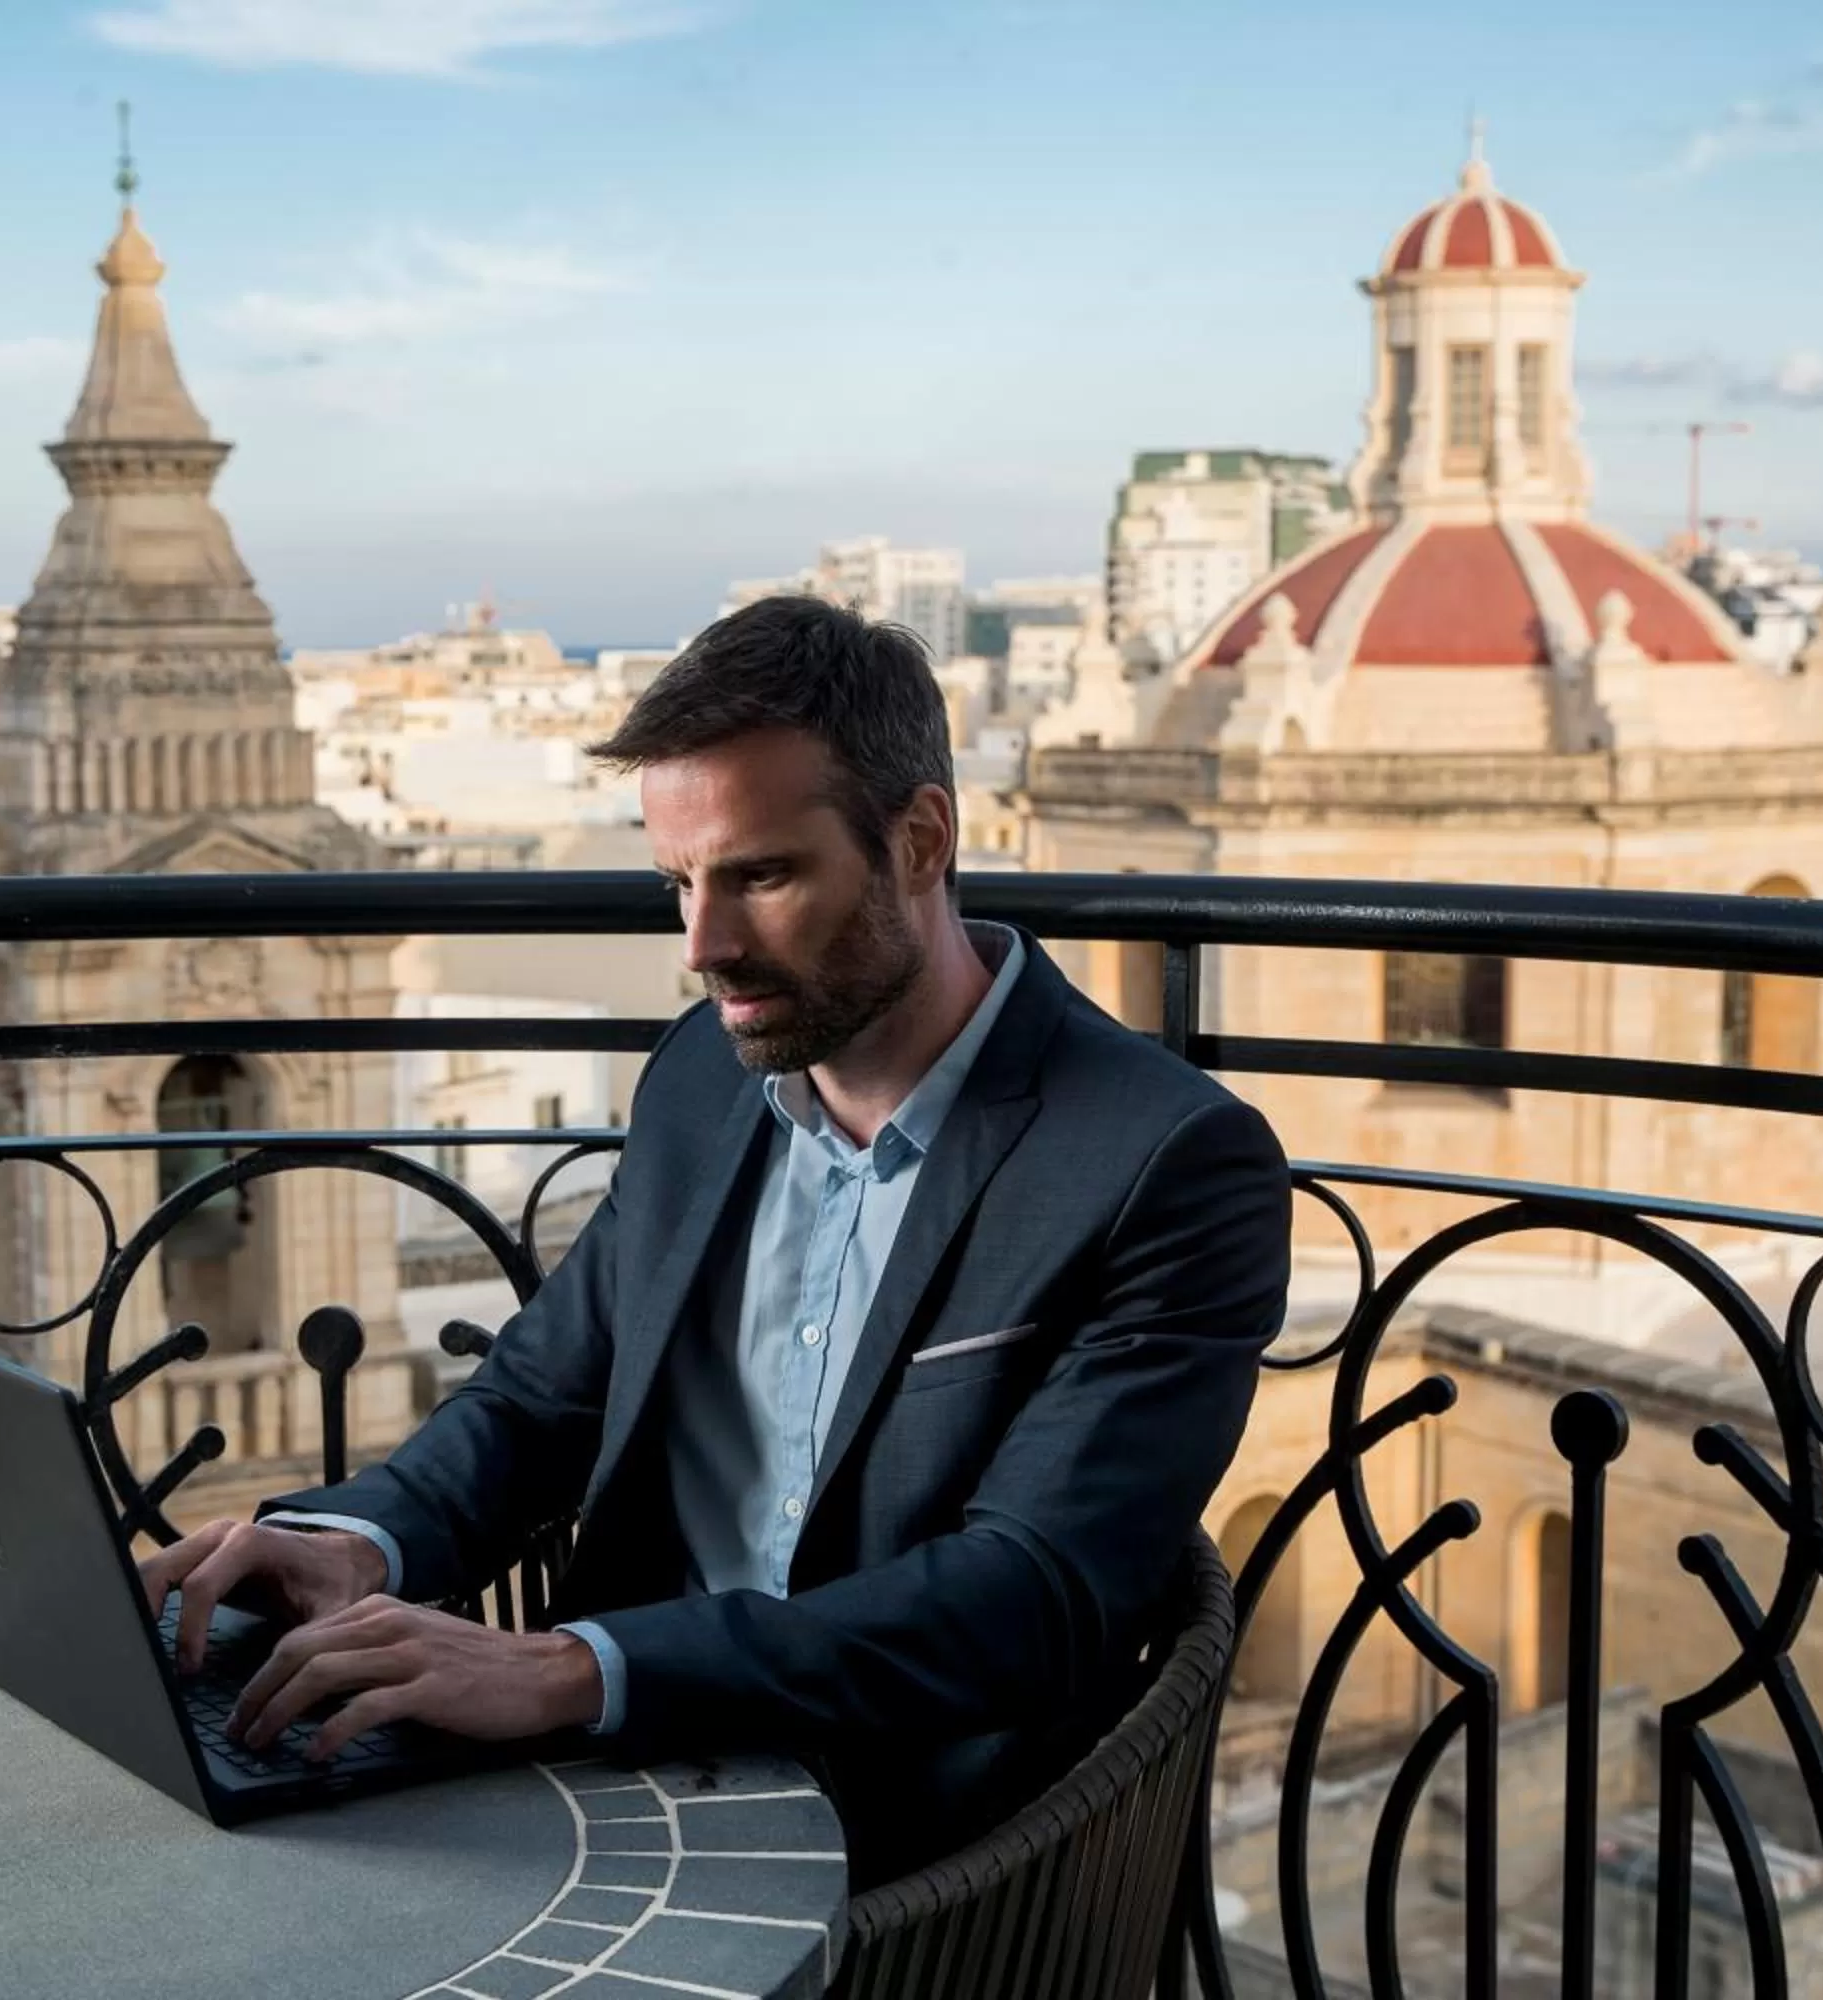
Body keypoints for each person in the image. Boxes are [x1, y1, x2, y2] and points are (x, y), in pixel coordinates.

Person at [138, 593, 1293, 1883]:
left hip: (910, 1839)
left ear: (920, 842)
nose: (704, 946)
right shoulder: (704, 1077)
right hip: (607, 1789)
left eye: (760, 875)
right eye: (678, 883)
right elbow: (538, 1398)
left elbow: (1026, 1598)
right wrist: (362, 1543)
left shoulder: (1164, 1161)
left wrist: (570, 1671)